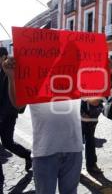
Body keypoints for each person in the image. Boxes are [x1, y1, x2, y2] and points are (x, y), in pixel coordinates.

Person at [2, 56, 83, 193]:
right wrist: (11, 77)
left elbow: (94, 100)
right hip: (45, 152)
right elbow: (18, 104)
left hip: (73, 149)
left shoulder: (76, 75)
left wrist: (105, 73)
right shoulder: (34, 77)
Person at [0, 47, 32, 173]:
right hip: (3, 113)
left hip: (7, 115)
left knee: (7, 143)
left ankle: (28, 155)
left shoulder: (10, 70)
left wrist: (1, 115)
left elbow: (11, 98)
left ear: (4, 57)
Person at [81, 98, 103, 173]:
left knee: (90, 140)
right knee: (76, 143)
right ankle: (75, 168)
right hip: (80, 114)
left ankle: (91, 165)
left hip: (92, 116)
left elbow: (97, 102)